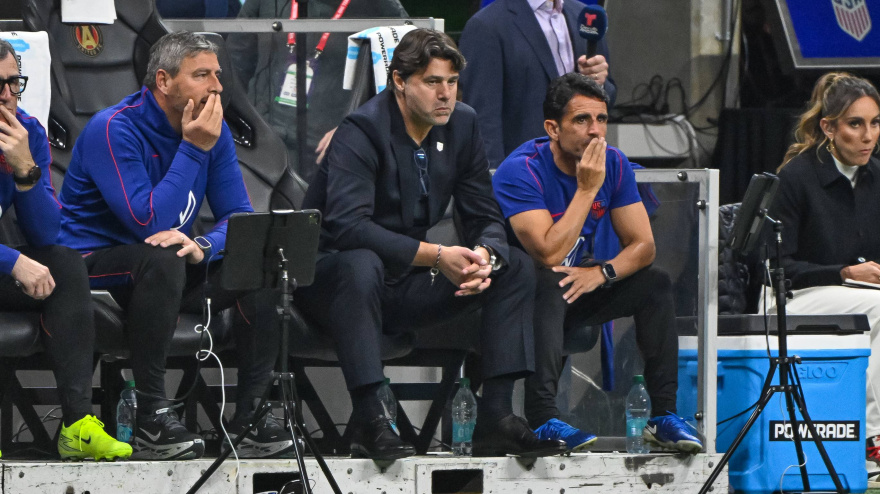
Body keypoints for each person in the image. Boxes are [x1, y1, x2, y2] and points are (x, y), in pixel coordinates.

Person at [297, 28, 567, 460]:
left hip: (402, 283)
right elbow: (348, 227)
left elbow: (484, 213)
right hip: (330, 284)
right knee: (360, 263)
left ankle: (496, 417)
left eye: (452, 82)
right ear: (400, 82)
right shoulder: (360, 131)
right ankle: (370, 418)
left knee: (514, 265)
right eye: (432, 82)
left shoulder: (463, 123)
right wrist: (437, 256)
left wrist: (485, 256)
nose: (445, 95)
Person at [57, 32, 291, 460]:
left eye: (217, 75)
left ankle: (250, 419)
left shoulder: (210, 130)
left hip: (168, 266)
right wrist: (192, 147)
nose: (217, 87)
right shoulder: (113, 128)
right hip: (93, 268)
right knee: (161, 258)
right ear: (163, 81)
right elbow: (148, 222)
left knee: (261, 260)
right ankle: (151, 415)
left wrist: (204, 244)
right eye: (201, 75)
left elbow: (239, 219)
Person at [492, 72, 702, 453]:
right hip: (515, 299)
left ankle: (665, 416)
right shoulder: (520, 170)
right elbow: (547, 253)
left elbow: (643, 246)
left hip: (576, 286)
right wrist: (587, 188)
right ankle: (542, 420)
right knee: (550, 278)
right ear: (552, 128)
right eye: (582, 120)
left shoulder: (614, 163)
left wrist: (601, 274)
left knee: (654, 283)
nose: (595, 131)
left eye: (602, 119)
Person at [0, 39, 132, 461]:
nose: (7, 96)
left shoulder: (27, 133)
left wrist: (25, 170)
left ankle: (76, 424)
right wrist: (13, 261)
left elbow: (46, 233)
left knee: (64, 263)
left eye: (13, 83)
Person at [764, 72, 880, 475]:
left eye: (875, 123)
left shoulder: (876, 176)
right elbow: (776, 267)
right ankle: (872, 439)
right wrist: (845, 271)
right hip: (790, 294)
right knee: (878, 308)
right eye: (856, 124)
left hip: (853, 292)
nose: (868, 136)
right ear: (829, 128)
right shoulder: (796, 177)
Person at [227, 0, 408, 182]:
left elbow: (403, 79)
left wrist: (355, 128)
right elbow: (234, 66)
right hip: (264, 139)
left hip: (332, 149)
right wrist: (243, 127)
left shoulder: (380, 5)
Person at [458, 0, 617, 169]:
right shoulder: (487, 25)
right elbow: (484, 120)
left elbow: (609, 97)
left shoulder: (586, 16)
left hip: (586, 169)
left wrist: (599, 83)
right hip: (526, 173)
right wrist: (495, 184)